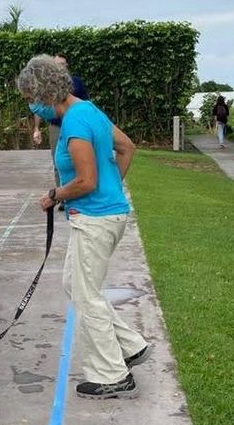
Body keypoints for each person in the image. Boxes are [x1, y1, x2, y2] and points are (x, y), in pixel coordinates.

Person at [17, 54, 151, 400]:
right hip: (107, 215)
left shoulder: (75, 123)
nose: (33, 105)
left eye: (33, 98)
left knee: (86, 295)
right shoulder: (90, 111)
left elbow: (86, 181)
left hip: (93, 220)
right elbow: (127, 147)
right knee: (75, 285)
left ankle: (112, 374)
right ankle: (131, 345)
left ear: (46, 93)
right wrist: (113, 187)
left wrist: (55, 195)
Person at [32, 54, 89, 210]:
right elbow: (39, 107)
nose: (60, 67)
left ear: (67, 66)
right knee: (59, 161)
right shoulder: (47, 86)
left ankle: (78, 192)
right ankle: (62, 196)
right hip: (56, 127)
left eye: (62, 64)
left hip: (75, 126)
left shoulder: (76, 83)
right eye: (56, 65)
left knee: (78, 160)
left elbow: (85, 103)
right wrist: (36, 128)